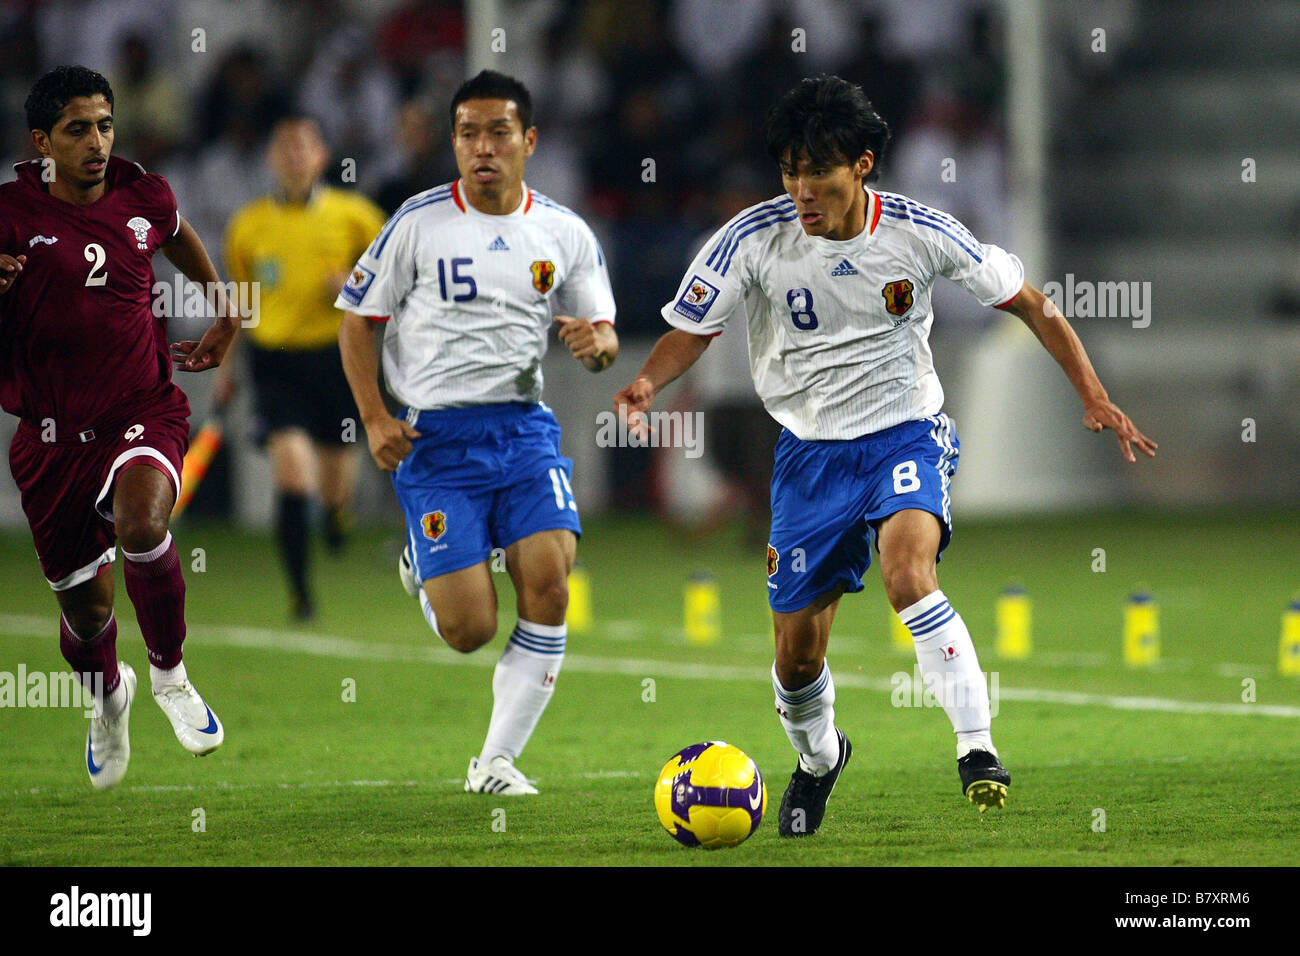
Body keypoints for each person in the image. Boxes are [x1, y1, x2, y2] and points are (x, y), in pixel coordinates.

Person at [614, 75, 1157, 835]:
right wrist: (644, 382)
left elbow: (1031, 302)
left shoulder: (920, 231)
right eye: (790, 172)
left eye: (819, 172)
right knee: (797, 658)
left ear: (862, 164)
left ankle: (977, 750)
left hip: (906, 431)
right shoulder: (752, 238)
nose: (802, 190)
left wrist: (1092, 395)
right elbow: (694, 327)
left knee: (908, 575)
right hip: (807, 455)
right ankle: (819, 760)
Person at [336, 70, 618, 795]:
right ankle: (424, 566)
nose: (482, 147)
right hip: (436, 441)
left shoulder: (563, 231)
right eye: (467, 133)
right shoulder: (418, 222)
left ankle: (494, 762)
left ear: (529, 140)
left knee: (550, 584)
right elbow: (357, 323)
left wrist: (597, 348)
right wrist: (373, 418)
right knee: (470, 631)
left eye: (497, 132)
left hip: (524, 430)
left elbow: (604, 336)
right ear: (454, 142)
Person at [0, 66, 238, 789]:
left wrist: (224, 305)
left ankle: (171, 676)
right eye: (77, 129)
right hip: (47, 441)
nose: (97, 142)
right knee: (88, 613)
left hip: (142, 408)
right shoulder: (8, 213)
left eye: (105, 125)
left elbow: (177, 234)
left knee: (142, 526)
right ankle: (109, 700)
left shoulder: (145, 194)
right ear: (42, 141)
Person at [221, 115, 387, 620]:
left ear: (321, 156)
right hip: (275, 365)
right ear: (272, 158)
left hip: (336, 360)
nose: (294, 156)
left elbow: (396, 284)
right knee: (293, 476)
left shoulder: (356, 216)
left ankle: (337, 516)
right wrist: (227, 368)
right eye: (284, 147)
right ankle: (300, 593)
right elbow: (240, 302)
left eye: (304, 147)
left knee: (337, 484)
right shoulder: (248, 225)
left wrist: (355, 287)